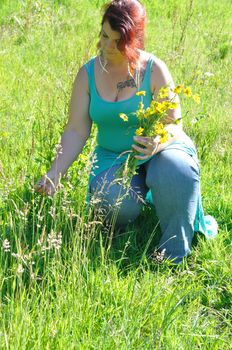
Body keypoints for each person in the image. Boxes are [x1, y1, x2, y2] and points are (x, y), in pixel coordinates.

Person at [35, 0, 217, 263]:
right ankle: (139, 203)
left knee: (177, 172)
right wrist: (55, 173)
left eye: (117, 42)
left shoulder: (154, 69)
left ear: (135, 41)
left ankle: (173, 253)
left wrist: (158, 141)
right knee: (111, 204)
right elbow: (76, 129)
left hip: (162, 150)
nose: (107, 47)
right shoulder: (88, 74)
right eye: (104, 35)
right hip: (113, 156)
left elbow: (174, 123)